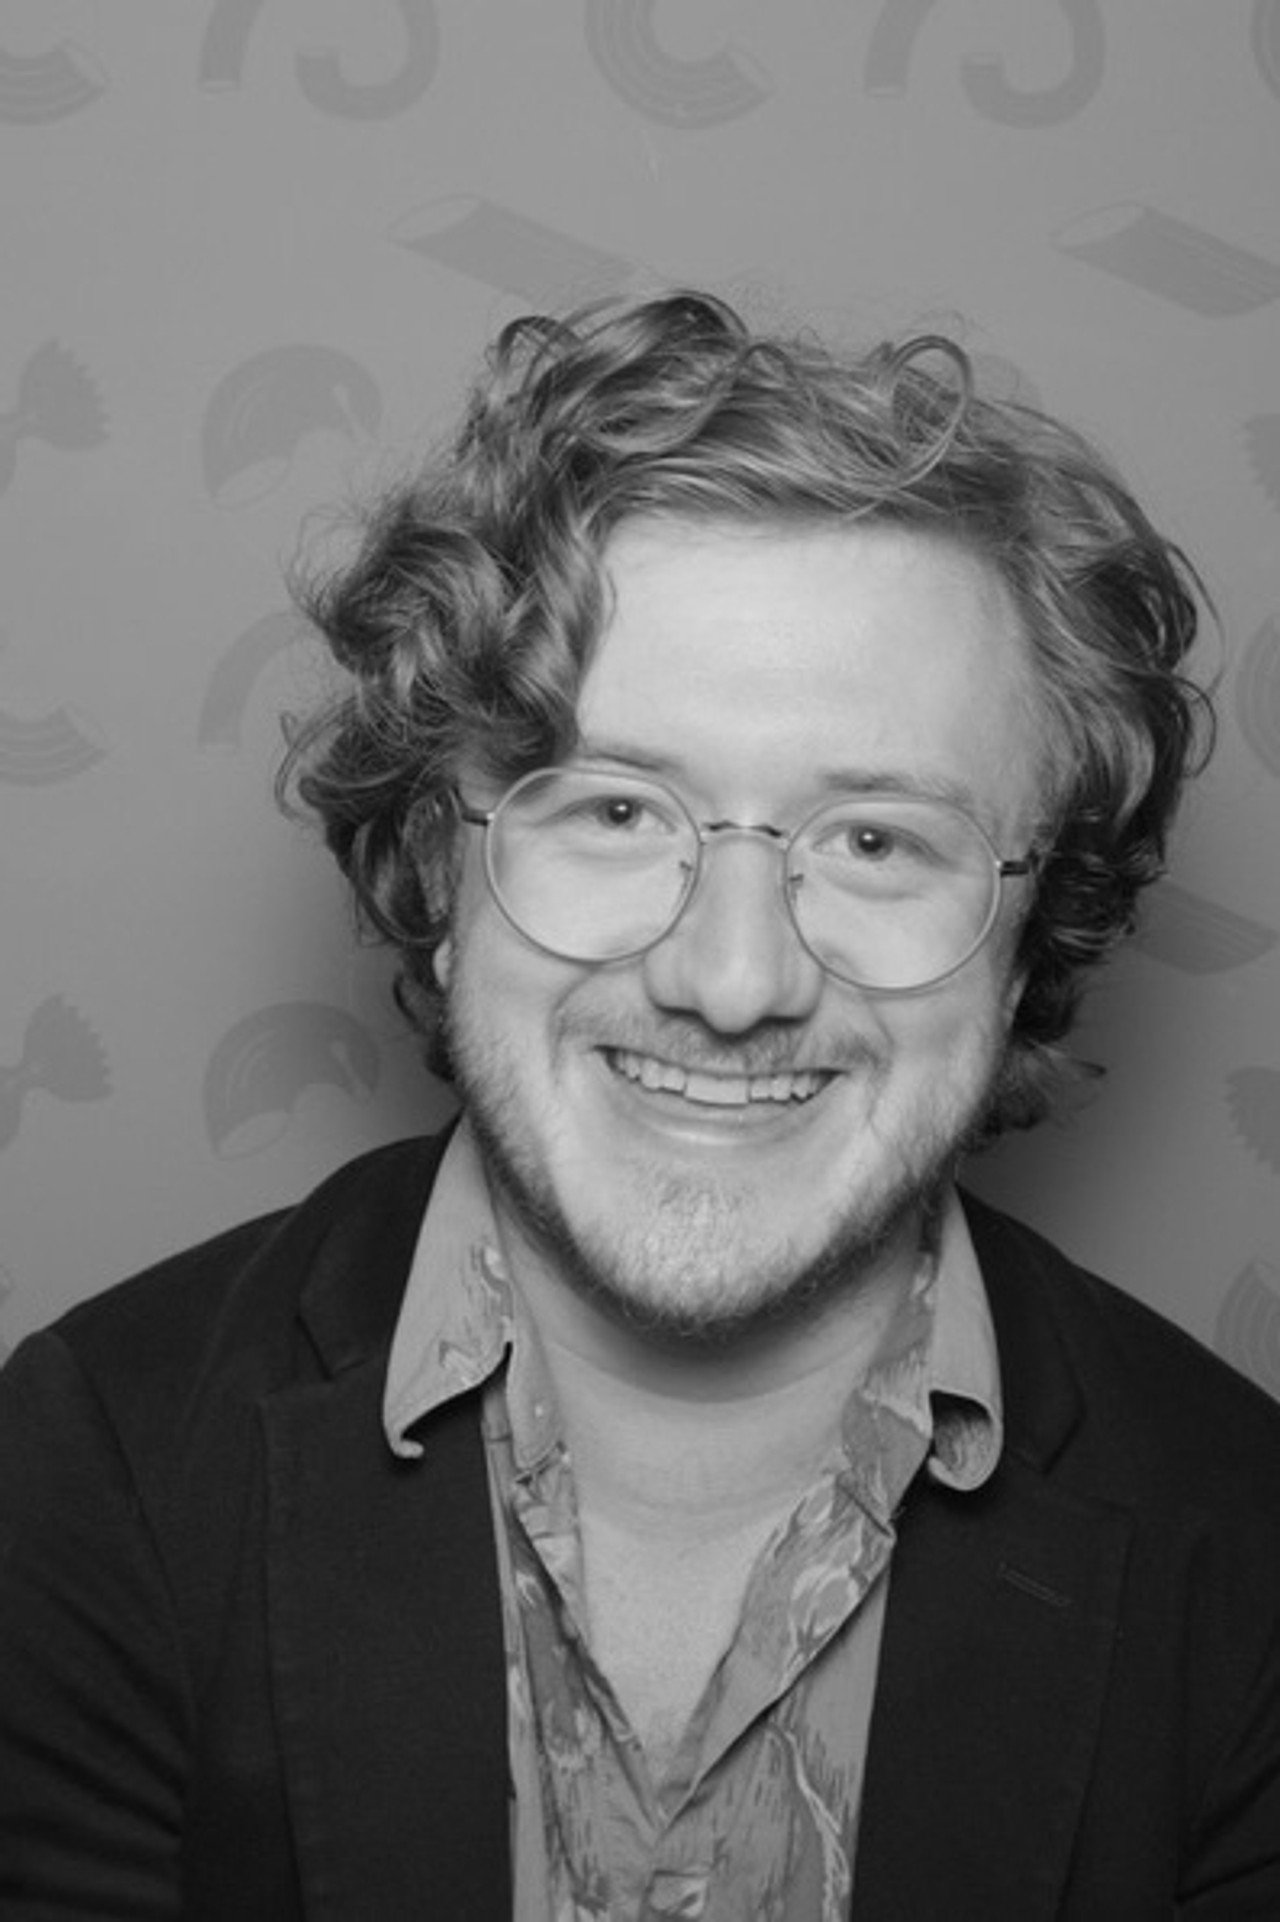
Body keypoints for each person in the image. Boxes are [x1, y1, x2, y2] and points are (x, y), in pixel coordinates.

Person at [1, 292, 1277, 1922]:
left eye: (878, 840)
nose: (732, 979)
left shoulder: (1250, 1550)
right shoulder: (95, 1468)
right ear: (441, 869)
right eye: (612, 808)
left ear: (1033, 933)